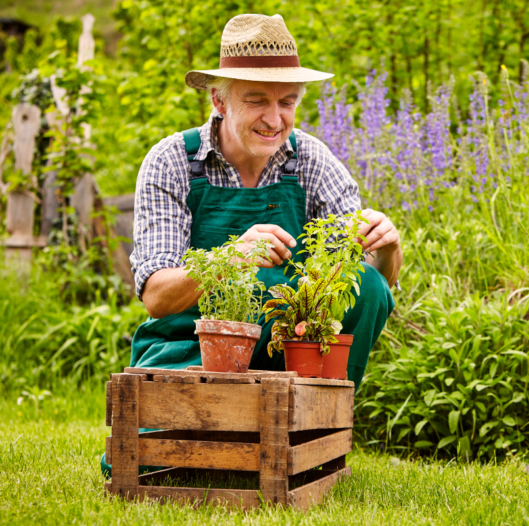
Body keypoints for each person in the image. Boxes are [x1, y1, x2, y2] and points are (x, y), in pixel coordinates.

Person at [127, 13, 402, 387]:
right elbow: (156, 297)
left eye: (287, 103)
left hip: (288, 356)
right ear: (219, 101)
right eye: (257, 101)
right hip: (189, 350)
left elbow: (365, 290)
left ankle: (319, 425)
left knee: (367, 284)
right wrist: (232, 257)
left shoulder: (311, 160)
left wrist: (384, 248)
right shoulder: (172, 161)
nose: (274, 120)